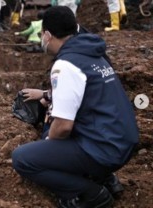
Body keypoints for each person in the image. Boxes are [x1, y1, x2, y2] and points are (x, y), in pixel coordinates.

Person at [12, 6, 139, 208]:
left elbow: (62, 127)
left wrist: (48, 144)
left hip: (105, 149)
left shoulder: (65, 65)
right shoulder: (91, 52)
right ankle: (105, 178)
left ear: (47, 35)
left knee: (23, 158)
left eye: (42, 36)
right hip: (121, 140)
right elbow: (87, 92)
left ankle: (92, 194)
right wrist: (48, 95)